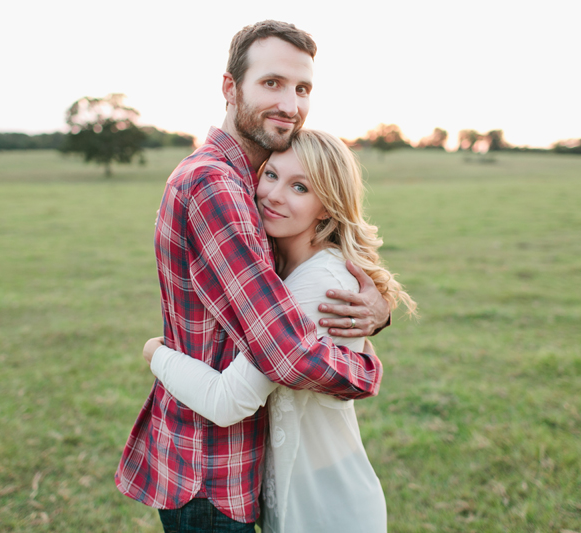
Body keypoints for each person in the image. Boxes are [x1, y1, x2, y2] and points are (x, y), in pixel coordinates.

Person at [114, 21, 392, 532]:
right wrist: (366, 371)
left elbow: (295, 299)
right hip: (212, 468)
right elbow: (284, 351)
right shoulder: (217, 184)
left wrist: (375, 314)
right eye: (272, 83)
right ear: (230, 88)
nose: (290, 103)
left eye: (302, 88)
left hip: (233, 465)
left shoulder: (247, 182)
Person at [143, 129, 417, 532]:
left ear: (326, 207)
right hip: (293, 491)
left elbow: (227, 402)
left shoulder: (317, 282)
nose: (273, 194)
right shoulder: (282, 267)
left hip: (326, 503)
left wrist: (156, 352)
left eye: (300, 187)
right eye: (270, 175)